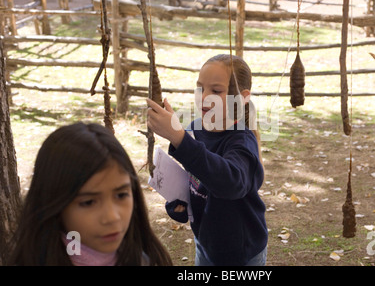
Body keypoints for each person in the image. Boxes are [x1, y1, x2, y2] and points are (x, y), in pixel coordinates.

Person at [147, 54, 268, 266]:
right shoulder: (195, 129)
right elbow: (197, 177)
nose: (204, 97)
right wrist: (180, 201)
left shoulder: (242, 140)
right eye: (200, 88)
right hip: (205, 242)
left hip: (240, 253)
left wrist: (178, 137)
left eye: (216, 91)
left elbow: (230, 183)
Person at [7, 122, 173, 266]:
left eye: (121, 195)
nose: (112, 217)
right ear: (55, 203)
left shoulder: (143, 260)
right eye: (88, 202)